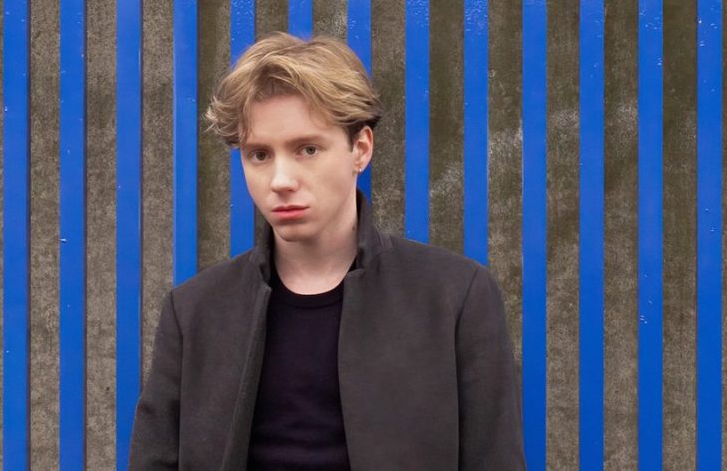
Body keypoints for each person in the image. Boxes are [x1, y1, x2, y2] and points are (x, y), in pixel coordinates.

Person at [129, 32, 525, 470]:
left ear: (361, 149)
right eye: (259, 155)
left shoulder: (455, 297)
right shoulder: (195, 311)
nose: (281, 180)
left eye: (308, 149)